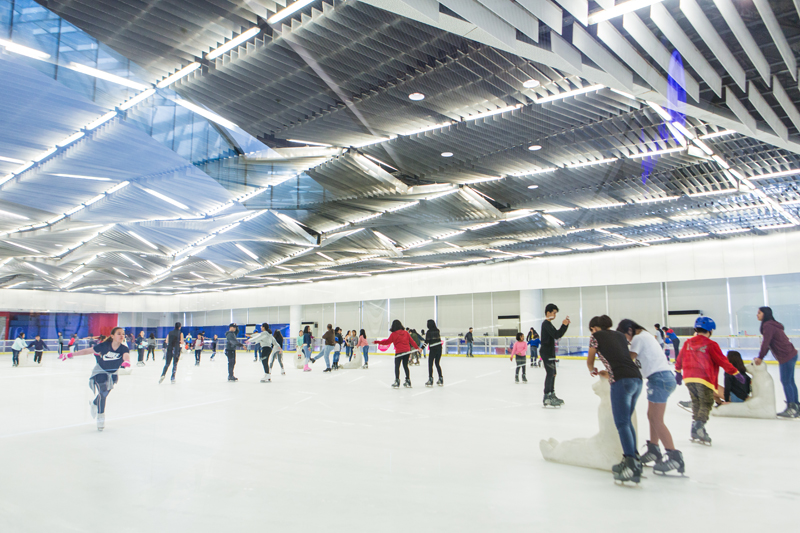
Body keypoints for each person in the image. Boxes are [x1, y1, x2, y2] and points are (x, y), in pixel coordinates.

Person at [617, 319, 683, 475]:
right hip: (659, 379)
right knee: (651, 416)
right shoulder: (645, 336)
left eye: (625, 337)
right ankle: (654, 449)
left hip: (660, 379)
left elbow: (628, 360)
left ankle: (674, 456)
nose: (627, 340)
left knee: (656, 419)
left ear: (629, 330)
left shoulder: (639, 338)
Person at [586, 315, 643, 483]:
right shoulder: (619, 335)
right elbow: (622, 356)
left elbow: (590, 360)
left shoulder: (595, 337)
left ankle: (630, 463)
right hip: (636, 379)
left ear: (595, 328)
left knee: (622, 422)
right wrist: (609, 371)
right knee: (628, 421)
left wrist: (593, 369)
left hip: (621, 381)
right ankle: (635, 458)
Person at [675, 316, 745, 445]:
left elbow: (679, 358)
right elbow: (722, 361)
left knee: (696, 403)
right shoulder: (711, 344)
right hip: (704, 378)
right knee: (706, 403)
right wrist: (735, 372)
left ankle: (695, 429)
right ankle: (699, 427)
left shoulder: (688, 342)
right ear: (710, 331)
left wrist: (678, 373)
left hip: (689, 378)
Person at [61, 326, 130, 431]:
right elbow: (87, 351)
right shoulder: (105, 345)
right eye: (119, 333)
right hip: (100, 372)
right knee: (103, 393)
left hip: (113, 374)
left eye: (123, 334)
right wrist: (71, 354)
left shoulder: (124, 348)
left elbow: (126, 355)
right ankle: (100, 417)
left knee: (105, 393)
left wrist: (127, 362)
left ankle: (94, 403)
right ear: (112, 336)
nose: (122, 336)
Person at [755, 306, 799, 418]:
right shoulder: (772, 324)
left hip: (786, 355)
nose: (757, 314)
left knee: (786, 381)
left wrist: (760, 357)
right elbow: (769, 343)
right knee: (790, 381)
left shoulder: (768, 325)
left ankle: (792, 408)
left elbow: (766, 342)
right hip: (791, 353)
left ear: (765, 314)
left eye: (759, 313)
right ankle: (796, 407)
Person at [540, 303, 570, 407]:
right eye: (554, 312)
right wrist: (564, 325)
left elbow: (557, 335)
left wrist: (565, 326)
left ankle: (552, 394)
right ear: (548, 313)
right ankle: (547, 396)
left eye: (556, 313)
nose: (555, 315)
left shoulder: (549, 324)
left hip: (550, 352)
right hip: (546, 353)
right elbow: (556, 335)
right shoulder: (546, 324)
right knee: (550, 373)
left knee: (553, 373)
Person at [375, 320, 419, 388]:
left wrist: (378, 342)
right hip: (407, 351)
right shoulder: (406, 333)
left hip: (399, 352)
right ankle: (408, 381)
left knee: (397, 366)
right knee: (405, 366)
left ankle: (397, 381)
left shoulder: (393, 334)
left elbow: (387, 342)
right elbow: (412, 341)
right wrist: (417, 348)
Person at [425, 320, 443, 386]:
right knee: (437, 363)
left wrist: (421, 348)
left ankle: (430, 379)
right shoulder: (437, 331)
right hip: (439, 349)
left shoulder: (429, 332)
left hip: (433, 350)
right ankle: (441, 378)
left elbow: (426, 341)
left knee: (430, 364)